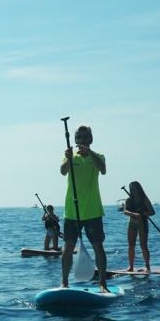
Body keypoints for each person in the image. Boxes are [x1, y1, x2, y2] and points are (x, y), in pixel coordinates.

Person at [60, 124, 109, 292]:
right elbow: (62, 171)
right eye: (79, 137)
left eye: (85, 137)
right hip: (72, 212)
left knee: (98, 247)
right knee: (67, 247)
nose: (82, 140)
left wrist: (89, 152)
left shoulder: (99, 156)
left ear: (91, 139)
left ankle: (103, 283)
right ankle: (64, 282)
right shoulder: (70, 157)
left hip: (93, 211)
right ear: (75, 140)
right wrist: (69, 158)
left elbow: (102, 170)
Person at [124, 181, 156, 271]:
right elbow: (125, 211)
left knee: (143, 245)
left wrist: (147, 213)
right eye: (131, 188)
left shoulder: (144, 199)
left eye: (134, 188)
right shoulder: (129, 199)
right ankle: (131, 266)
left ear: (138, 189)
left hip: (143, 224)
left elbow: (152, 212)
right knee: (131, 245)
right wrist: (133, 214)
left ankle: (147, 266)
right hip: (132, 224)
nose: (132, 190)